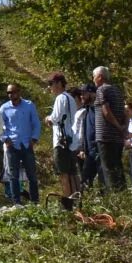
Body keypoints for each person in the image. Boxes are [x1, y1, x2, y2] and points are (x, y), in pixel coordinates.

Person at [0, 82, 41, 205]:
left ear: (19, 92)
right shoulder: (4, 108)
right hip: (12, 145)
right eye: (8, 93)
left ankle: (35, 202)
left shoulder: (29, 105)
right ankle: (16, 202)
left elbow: (36, 123)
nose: (11, 95)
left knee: (31, 175)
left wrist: (34, 138)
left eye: (13, 92)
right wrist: (5, 139)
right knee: (13, 176)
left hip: (27, 144)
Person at [44, 74, 78, 211]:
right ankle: (76, 200)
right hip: (71, 139)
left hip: (61, 140)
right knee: (72, 172)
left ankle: (68, 202)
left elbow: (56, 118)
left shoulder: (60, 98)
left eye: (51, 84)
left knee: (63, 173)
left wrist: (47, 119)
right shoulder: (70, 98)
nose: (50, 87)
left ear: (58, 83)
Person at [92, 67, 127, 195]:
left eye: (94, 76)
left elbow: (106, 112)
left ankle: (114, 199)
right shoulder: (118, 91)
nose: (93, 80)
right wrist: (124, 129)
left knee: (108, 170)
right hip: (117, 138)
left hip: (105, 136)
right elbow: (125, 112)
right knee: (118, 168)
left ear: (100, 77)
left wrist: (118, 126)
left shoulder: (102, 90)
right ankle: (123, 195)